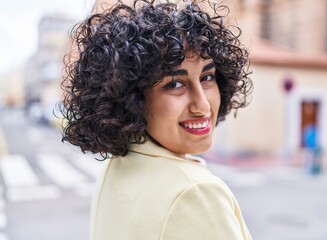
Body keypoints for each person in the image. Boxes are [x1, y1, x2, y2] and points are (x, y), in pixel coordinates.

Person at [61, 0, 253, 239]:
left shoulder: (117, 166)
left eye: (207, 77)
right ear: (132, 97)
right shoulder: (195, 193)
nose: (202, 105)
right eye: (175, 84)